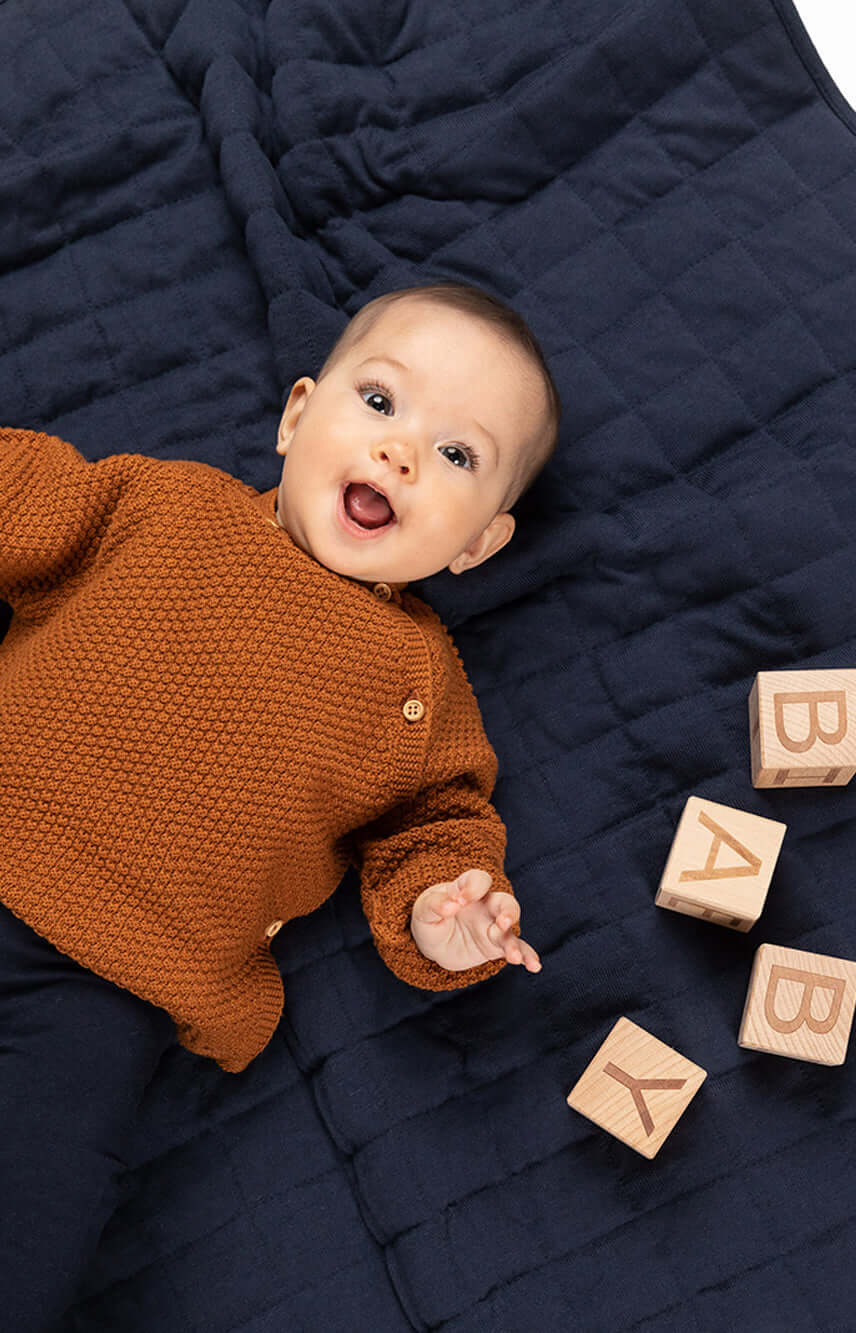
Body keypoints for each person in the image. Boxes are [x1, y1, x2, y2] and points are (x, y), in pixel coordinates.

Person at [0, 280, 560, 1328]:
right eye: (383, 404)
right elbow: (25, 494)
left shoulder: (418, 684)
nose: (400, 454)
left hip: (112, 984)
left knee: (42, 1198)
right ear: (298, 416)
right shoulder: (163, 505)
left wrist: (450, 914)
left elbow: (437, 832)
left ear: (478, 544)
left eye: (456, 456)